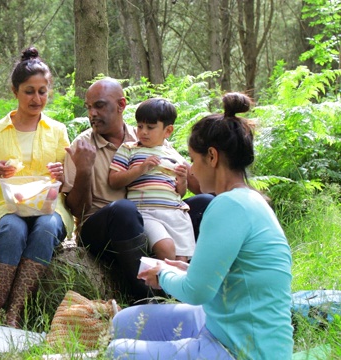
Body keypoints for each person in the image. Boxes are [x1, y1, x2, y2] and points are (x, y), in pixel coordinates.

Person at [108, 93, 294, 359]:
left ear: (212, 157)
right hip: (221, 322)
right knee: (122, 322)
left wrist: (161, 274)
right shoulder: (249, 200)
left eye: (193, 160)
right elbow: (227, 275)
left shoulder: (228, 206)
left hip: (240, 349)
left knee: (117, 352)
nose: (192, 170)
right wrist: (182, 268)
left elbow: (195, 292)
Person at [62, 77, 210, 304]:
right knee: (124, 210)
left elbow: (193, 181)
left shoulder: (147, 135)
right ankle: (149, 297)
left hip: (153, 217)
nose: (92, 113)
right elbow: (77, 210)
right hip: (102, 228)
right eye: (89, 107)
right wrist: (83, 170)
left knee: (205, 203)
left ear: (121, 105)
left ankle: (202, 283)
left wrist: (187, 177)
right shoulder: (83, 145)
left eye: (99, 105)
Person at [0, 47, 74, 328]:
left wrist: (63, 173)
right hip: (6, 207)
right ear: (15, 91)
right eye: (29, 91)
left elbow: (68, 182)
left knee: (47, 228)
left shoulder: (58, 130)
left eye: (42, 91)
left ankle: (15, 310)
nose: (37, 98)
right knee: (13, 229)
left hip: (49, 206)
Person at [108, 98, 195, 262]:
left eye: (150, 127)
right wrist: (141, 169)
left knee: (182, 259)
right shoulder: (129, 149)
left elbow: (180, 192)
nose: (143, 132)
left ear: (168, 131)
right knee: (166, 248)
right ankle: (159, 284)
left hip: (176, 213)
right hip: (146, 212)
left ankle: (169, 287)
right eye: (140, 126)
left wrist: (182, 180)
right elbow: (114, 180)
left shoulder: (173, 155)